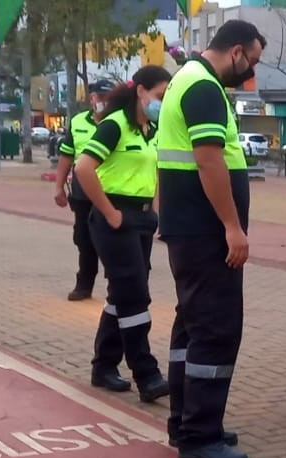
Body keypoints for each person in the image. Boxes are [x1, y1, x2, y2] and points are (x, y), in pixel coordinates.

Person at [156, 19, 265, 458]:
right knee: (217, 330)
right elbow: (208, 161)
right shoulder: (202, 87)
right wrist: (233, 227)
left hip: (189, 229)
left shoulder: (189, 79)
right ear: (235, 51)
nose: (250, 72)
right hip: (206, 233)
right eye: (251, 62)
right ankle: (200, 435)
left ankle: (186, 422)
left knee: (192, 326)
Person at [73, 66, 173, 402]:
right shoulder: (115, 125)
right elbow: (83, 168)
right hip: (114, 219)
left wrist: (155, 210)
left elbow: (155, 169)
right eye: (160, 95)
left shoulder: (152, 129)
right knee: (135, 296)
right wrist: (110, 212)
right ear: (141, 91)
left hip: (142, 219)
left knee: (123, 294)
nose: (162, 102)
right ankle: (146, 373)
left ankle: (103, 365)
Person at [54, 79, 117, 301]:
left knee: (112, 241)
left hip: (111, 192)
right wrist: (59, 186)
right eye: (100, 97)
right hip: (82, 194)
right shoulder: (79, 122)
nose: (104, 102)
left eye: (108, 98)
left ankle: (116, 286)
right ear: (91, 98)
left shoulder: (119, 122)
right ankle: (84, 284)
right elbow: (66, 155)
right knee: (84, 239)